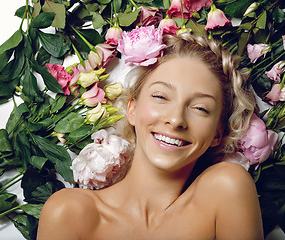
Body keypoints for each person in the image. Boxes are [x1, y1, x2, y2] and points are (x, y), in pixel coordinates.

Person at [37, 33, 264, 240]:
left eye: (200, 108)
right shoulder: (69, 213)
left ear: (217, 134)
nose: (176, 120)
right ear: (132, 110)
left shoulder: (226, 187)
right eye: (160, 96)